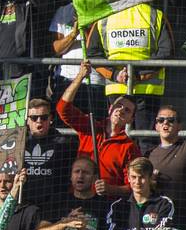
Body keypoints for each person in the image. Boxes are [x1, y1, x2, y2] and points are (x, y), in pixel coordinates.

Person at [57, 62, 140, 199]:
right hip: (78, 198)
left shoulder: (129, 147)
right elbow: (63, 108)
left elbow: (131, 186)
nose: (120, 111)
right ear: (110, 109)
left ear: (131, 119)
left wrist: (111, 189)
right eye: (118, 106)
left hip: (106, 203)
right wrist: (80, 76)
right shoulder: (90, 127)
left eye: (127, 110)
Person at [86, 3, 173, 132]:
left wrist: (116, 74)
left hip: (117, 88)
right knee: (144, 138)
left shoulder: (104, 17)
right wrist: (140, 75)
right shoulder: (155, 15)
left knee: (117, 135)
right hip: (147, 90)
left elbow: (92, 54)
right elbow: (167, 53)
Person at [22, 98, 78, 208]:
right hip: (24, 204)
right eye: (34, 118)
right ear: (27, 120)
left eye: (44, 117)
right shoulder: (20, 143)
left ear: (50, 118)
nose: (39, 121)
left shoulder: (65, 144)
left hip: (54, 205)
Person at [147, 105, 186, 216]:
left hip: (185, 214)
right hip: (158, 215)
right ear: (156, 126)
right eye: (161, 120)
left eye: (171, 120)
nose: (165, 123)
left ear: (179, 126)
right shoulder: (148, 154)